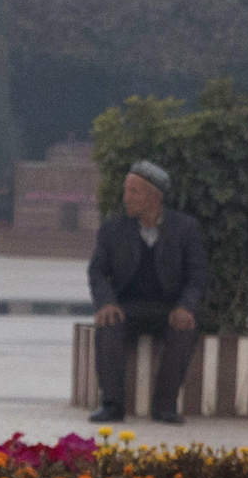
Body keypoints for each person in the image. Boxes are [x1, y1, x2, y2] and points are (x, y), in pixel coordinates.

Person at [87, 158, 210, 425]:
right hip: (127, 307)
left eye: (134, 191)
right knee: (107, 326)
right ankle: (112, 405)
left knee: (185, 330)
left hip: (169, 307)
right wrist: (106, 302)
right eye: (125, 190)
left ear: (155, 198)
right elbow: (97, 272)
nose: (126, 198)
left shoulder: (185, 229)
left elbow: (198, 274)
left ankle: (165, 407)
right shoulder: (112, 230)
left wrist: (186, 306)